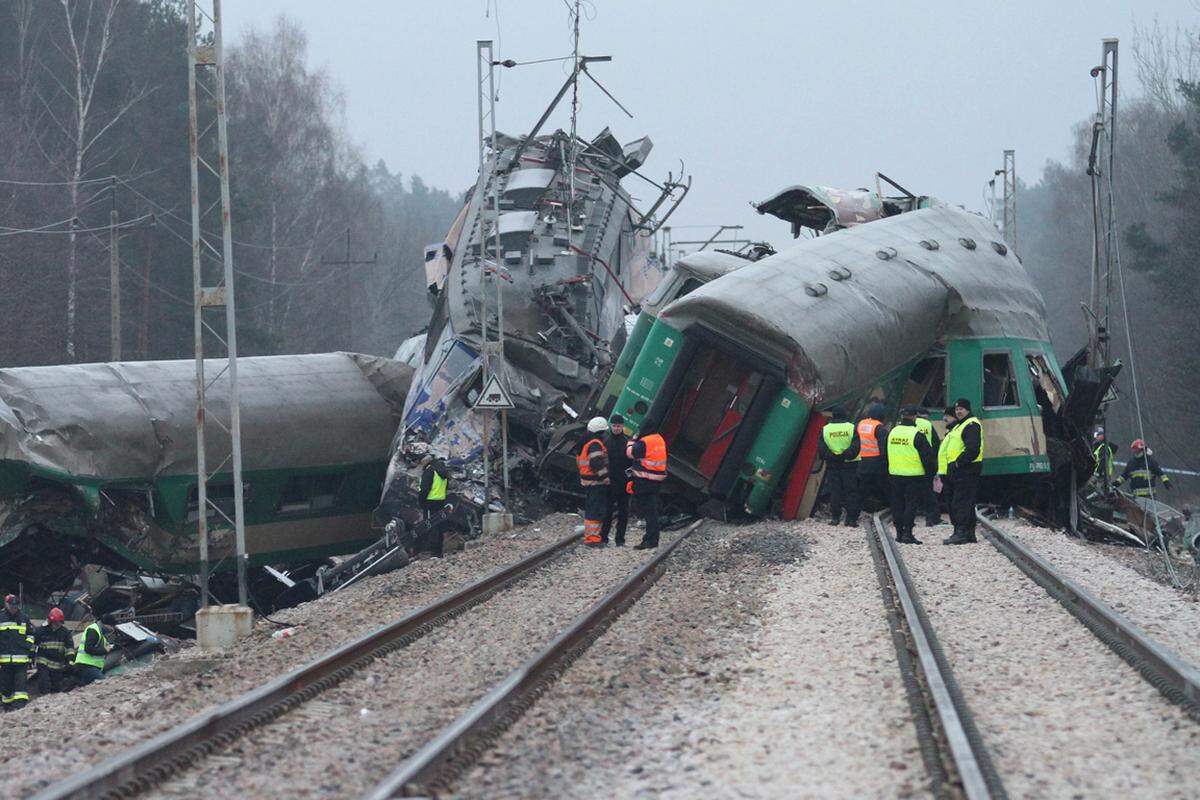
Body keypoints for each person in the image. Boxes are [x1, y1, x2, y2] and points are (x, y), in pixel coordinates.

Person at [883, 406, 936, 544]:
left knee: (897, 504)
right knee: (910, 505)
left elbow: (885, 453)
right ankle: (908, 533)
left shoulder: (892, 432)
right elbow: (928, 458)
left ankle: (899, 533)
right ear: (914, 417)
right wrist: (930, 474)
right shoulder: (917, 434)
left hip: (895, 474)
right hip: (914, 476)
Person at [942, 398, 984, 545]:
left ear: (968, 410)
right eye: (957, 409)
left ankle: (960, 533)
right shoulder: (961, 425)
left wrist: (958, 462)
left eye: (961, 409)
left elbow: (972, 449)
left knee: (960, 502)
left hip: (966, 469)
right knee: (966, 502)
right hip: (961, 469)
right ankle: (969, 533)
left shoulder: (971, 425)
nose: (959, 411)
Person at [817, 406, 861, 526]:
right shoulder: (851, 428)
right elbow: (856, 447)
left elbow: (822, 450)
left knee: (835, 491)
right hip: (850, 464)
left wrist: (834, 456)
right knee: (851, 491)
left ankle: (835, 518)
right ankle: (851, 520)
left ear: (833, 416)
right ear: (845, 415)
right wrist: (844, 455)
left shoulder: (825, 429)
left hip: (833, 465)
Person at [626, 425, 668, 550]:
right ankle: (651, 539)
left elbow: (630, 453)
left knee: (650, 512)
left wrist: (631, 441)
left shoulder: (645, 442)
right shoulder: (659, 438)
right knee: (651, 511)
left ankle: (650, 540)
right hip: (655, 481)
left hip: (645, 481)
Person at [578, 417, 611, 547]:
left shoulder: (586, 442)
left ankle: (592, 537)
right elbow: (596, 462)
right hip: (596, 483)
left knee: (592, 509)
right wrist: (605, 477)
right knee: (595, 511)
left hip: (589, 482)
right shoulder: (595, 444)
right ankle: (592, 539)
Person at [600, 414, 630, 546]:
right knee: (607, 511)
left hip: (623, 482)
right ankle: (604, 537)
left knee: (623, 512)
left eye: (618, 426)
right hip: (610, 481)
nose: (616, 428)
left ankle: (620, 539)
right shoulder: (606, 441)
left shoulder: (627, 442)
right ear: (610, 426)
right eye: (614, 426)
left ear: (622, 426)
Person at [1, 594, 33, 710]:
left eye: (16, 605)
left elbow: (31, 634)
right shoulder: (1, 618)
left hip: (21, 659)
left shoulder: (24, 618)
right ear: (6, 604)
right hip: (5, 660)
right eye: (11, 605)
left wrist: (28, 646)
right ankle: (7, 706)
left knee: (21, 685)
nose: (14, 608)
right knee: (6, 686)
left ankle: (20, 706)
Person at [34, 607, 75, 695]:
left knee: (56, 687)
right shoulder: (41, 631)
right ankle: (43, 698)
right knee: (44, 682)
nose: (57, 624)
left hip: (57, 664)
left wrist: (70, 660)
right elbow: (33, 645)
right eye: (55, 623)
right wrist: (30, 656)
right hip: (43, 661)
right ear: (50, 621)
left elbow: (70, 648)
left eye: (59, 623)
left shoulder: (65, 633)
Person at [856, 402, 889, 511]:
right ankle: (884, 504)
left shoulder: (860, 424)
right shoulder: (879, 428)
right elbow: (883, 448)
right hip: (875, 461)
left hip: (861, 460)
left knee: (863, 486)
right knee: (880, 484)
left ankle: (862, 506)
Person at [914, 410, 942, 526]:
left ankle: (908, 519)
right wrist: (934, 461)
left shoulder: (903, 426)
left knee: (910, 493)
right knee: (929, 492)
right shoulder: (927, 425)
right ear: (926, 416)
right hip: (926, 463)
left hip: (908, 464)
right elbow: (936, 444)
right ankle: (932, 518)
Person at [73, 613, 113, 687]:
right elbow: (88, 649)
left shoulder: (101, 634)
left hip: (90, 666)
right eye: (112, 626)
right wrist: (105, 650)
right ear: (107, 624)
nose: (112, 629)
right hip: (86, 666)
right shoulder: (94, 630)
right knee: (104, 685)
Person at [935, 406, 958, 530]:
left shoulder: (956, 431)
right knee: (951, 502)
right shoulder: (951, 431)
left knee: (955, 502)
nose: (944, 419)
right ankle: (957, 529)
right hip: (946, 472)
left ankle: (960, 530)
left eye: (947, 416)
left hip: (952, 472)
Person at [418, 455, 450, 520]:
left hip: (429, 502)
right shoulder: (444, 472)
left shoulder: (430, 471)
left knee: (427, 523)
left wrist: (421, 502)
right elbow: (446, 487)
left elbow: (425, 488)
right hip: (441, 502)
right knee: (436, 522)